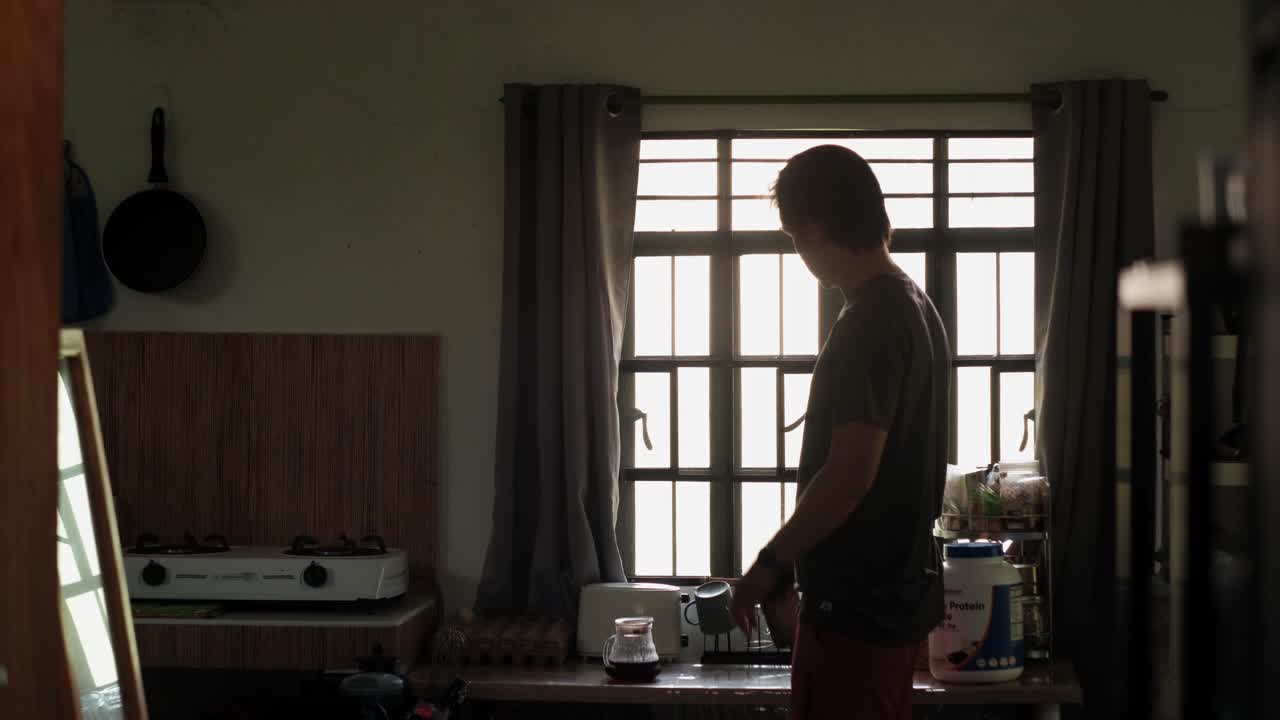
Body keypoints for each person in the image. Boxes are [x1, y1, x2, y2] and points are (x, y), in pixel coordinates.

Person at [729, 145, 950, 720]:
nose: (800, 255)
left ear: (817, 227)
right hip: (891, 606)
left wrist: (769, 566)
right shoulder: (916, 307)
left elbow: (851, 473)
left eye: (795, 238)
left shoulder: (869, 320)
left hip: (855, 613)